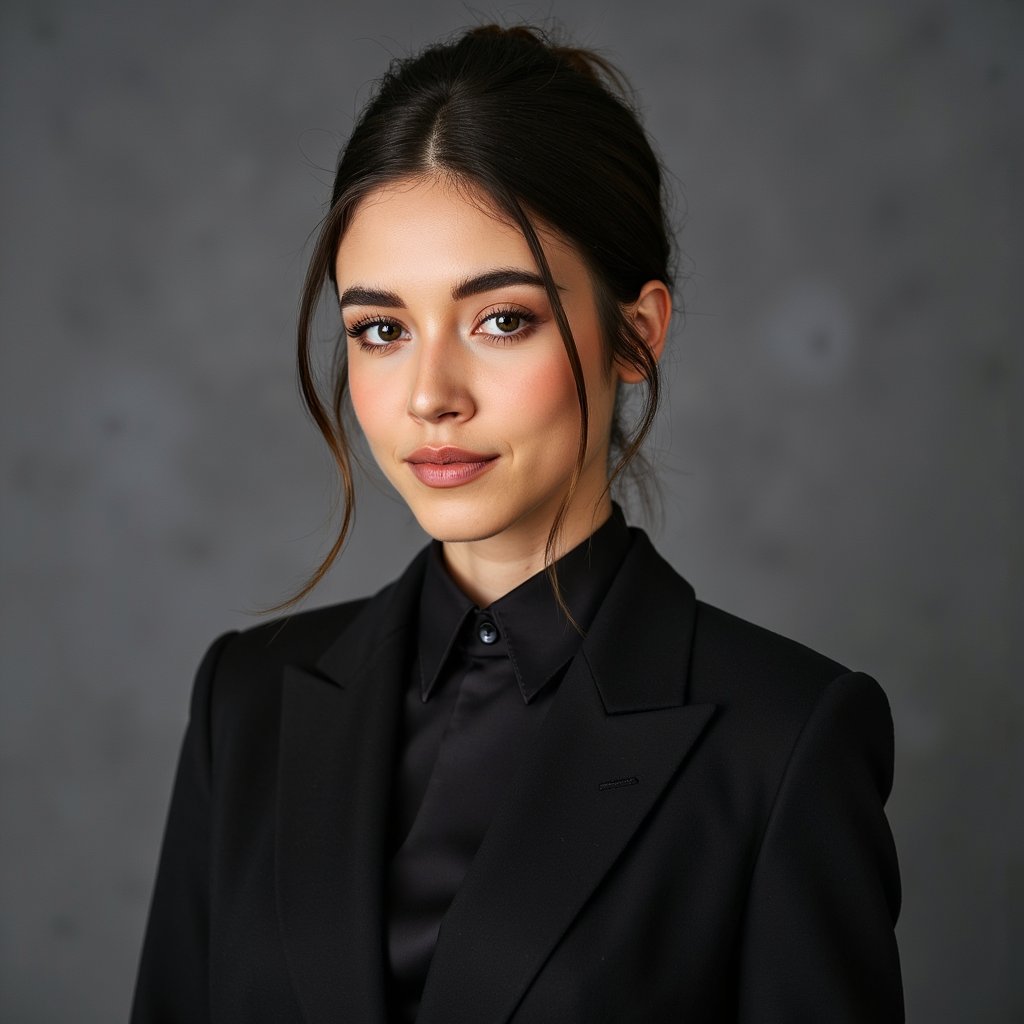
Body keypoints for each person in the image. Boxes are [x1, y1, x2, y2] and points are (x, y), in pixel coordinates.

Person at [130, 24, 904, 1024]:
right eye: (381, 330)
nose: (430, 396)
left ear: (637, 332)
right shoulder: (246, 703)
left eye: (502, 319)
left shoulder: (783, 739)